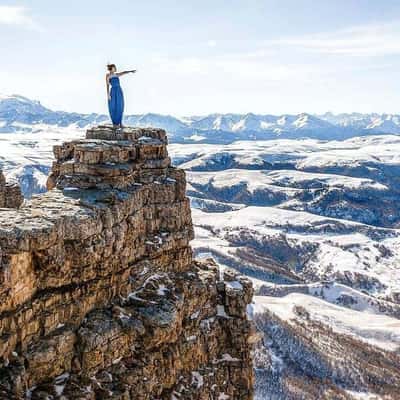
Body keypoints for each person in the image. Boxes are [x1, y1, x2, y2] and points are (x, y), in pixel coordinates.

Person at [106, 64, 136, 128]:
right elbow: (107, 85)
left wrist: (130, 71)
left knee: (120, 106)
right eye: (114, 68)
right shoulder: (108, 75)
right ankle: (114, 124)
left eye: (115, 68)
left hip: (119, 91)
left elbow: (124, 72)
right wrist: (108, 94)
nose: (115, 69)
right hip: (113, 91)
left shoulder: (116, 74)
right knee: (113, 106)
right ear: (111, 68)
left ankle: (120, 123)